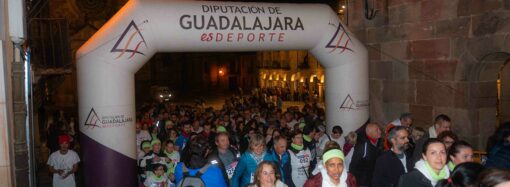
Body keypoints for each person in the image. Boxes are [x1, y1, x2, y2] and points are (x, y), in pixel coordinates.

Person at [349, 123, 382, 187]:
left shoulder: (377, 141)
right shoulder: (362, 146)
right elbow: (354, 163)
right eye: (376, 130)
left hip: (373, 178)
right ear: (370, 133)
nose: (380, 131)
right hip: (363, 181)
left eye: (379, 129)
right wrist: (352, 176)